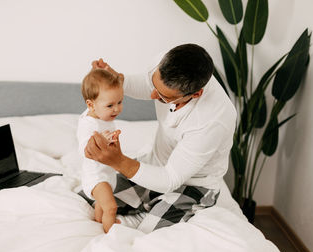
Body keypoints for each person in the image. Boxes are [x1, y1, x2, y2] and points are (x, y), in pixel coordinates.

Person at [83, 43, 237, 233]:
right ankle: (148, 206)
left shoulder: (214, 120)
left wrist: (119, 161)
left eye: (163, 97)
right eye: (154, 85)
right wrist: (117, 80)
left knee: (150, 234)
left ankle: (142, 218)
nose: (153, 94)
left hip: (193, 186)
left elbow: (170, 179)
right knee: (93, 197)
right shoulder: (166, 62)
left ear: (195, 94)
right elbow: (146, 85)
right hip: (155, 165)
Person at [77, 68, 123, 233]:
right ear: (91, 105)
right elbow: (85, 148)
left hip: (106, 172)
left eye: (119, 102)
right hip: (95, 176)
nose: (116, 109)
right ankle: (110, 233)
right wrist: (100, 141)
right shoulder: (89, 124)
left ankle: (99, 220)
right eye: (110, 105)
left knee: (101, 206)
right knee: (111, 207)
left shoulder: (104, 115)